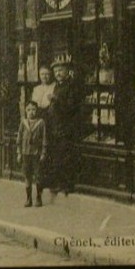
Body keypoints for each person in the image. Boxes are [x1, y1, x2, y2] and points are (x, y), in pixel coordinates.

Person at [48, 57, 82, 195]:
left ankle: (68, 185)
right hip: (56, 126)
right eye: (55, 71)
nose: (58, 73)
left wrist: (56, 100)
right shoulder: (57, 85)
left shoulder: (71, 85)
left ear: (67, 71)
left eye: (60, 70)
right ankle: (59, 183)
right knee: (57, 156)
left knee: (66, 156)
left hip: (67, 126)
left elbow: (71, 106)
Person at [17, 100, 48, 207]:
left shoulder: (41, 123)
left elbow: (44, 139)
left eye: (33, 109)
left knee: (38, 175)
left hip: (36, 154)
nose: (31, 112)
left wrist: (43, 152)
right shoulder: (23, 123)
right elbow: (19, 139)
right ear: (25, 111)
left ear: (37, 110)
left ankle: (38, 198)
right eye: (29, 110)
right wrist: (19, 153)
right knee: (27, 176)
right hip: (26, 153)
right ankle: (28, 198)